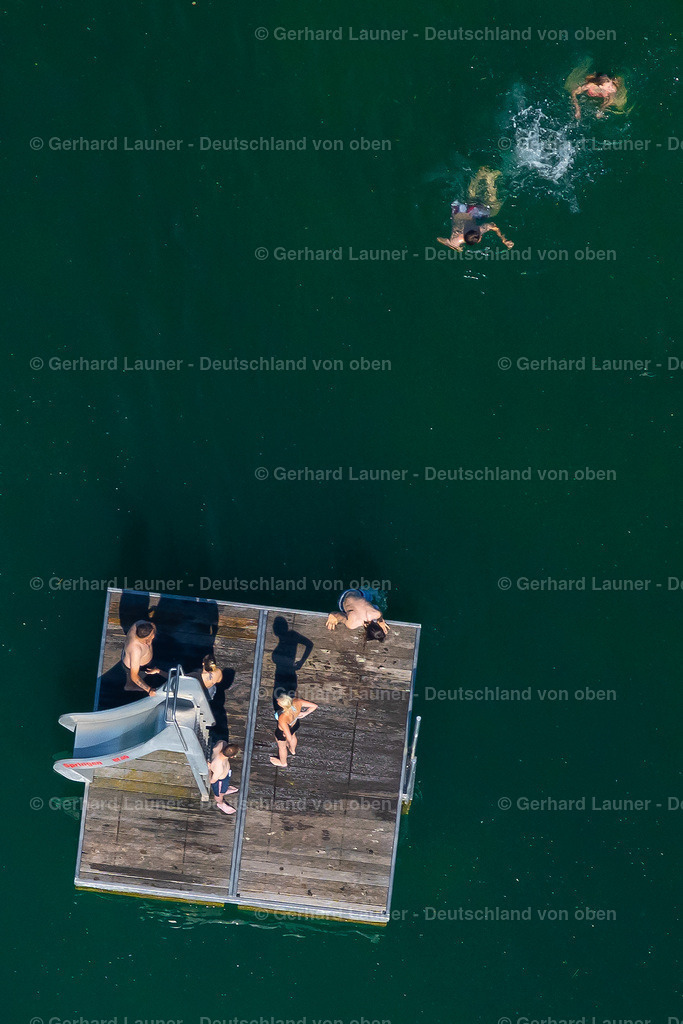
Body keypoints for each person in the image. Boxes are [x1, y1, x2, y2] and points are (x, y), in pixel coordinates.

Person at [437, 167, 514, 252]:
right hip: (460, 209)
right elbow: (439, 239)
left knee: (494, 209)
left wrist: (504, 240)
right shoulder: (455, 240)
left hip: (475, 212)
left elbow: (494, 226)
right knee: (471, 197)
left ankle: (490, 180)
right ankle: (479, 175)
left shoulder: (480, 229)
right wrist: (453, 246)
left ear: (479, 238)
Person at [269, 694, 318, 768]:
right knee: (293, 734)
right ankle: (293, 750)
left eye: (279, 701)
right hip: (295, 724)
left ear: (283, 706)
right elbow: (314, 706)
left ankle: (283, 763)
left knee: (282, 747)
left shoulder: (283, 718)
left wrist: (286, 739)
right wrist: (305, 713)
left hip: (282, 732)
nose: (277, 700)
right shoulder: (297, 701)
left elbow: (288, 737)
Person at [121, 620, 162, 695]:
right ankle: (129, 686)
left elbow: (152, 625)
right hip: (136, 666)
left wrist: (150, 639)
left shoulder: (140, 624)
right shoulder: (136, 649)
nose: (153, 636)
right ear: (145, 638)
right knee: (131, 680)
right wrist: (149, 690)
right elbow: (134, 676)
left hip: (142, 658)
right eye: (152, 635)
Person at [208, 741, 239, 814]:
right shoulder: (218, 767)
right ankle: (220, 803)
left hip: (225, 774)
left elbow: (221, 742)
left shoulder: (221, 744)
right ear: (231, 756)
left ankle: (225, 790)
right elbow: (212, 781)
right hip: (220, 780)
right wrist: (209, 769)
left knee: (225, 784)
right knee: (218, 795)